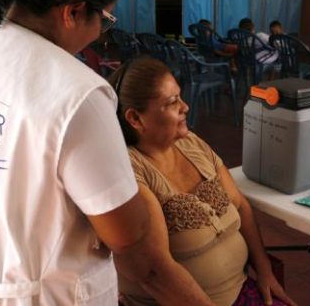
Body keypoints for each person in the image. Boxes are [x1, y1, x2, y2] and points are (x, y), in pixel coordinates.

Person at [0, 0, 213, 304]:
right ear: (73, 12)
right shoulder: (77, 93)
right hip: (39, 294)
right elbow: (127, 235)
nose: (101, 31)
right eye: (105, 18)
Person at [109, 57, 296, 306]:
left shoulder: (192, 144)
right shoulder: (130, 172)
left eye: (181, 97)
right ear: (135, 118)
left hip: (239, 290)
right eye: (172, 102)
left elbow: (241, 206)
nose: (185, 107)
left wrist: (264, 271)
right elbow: (154, 271)